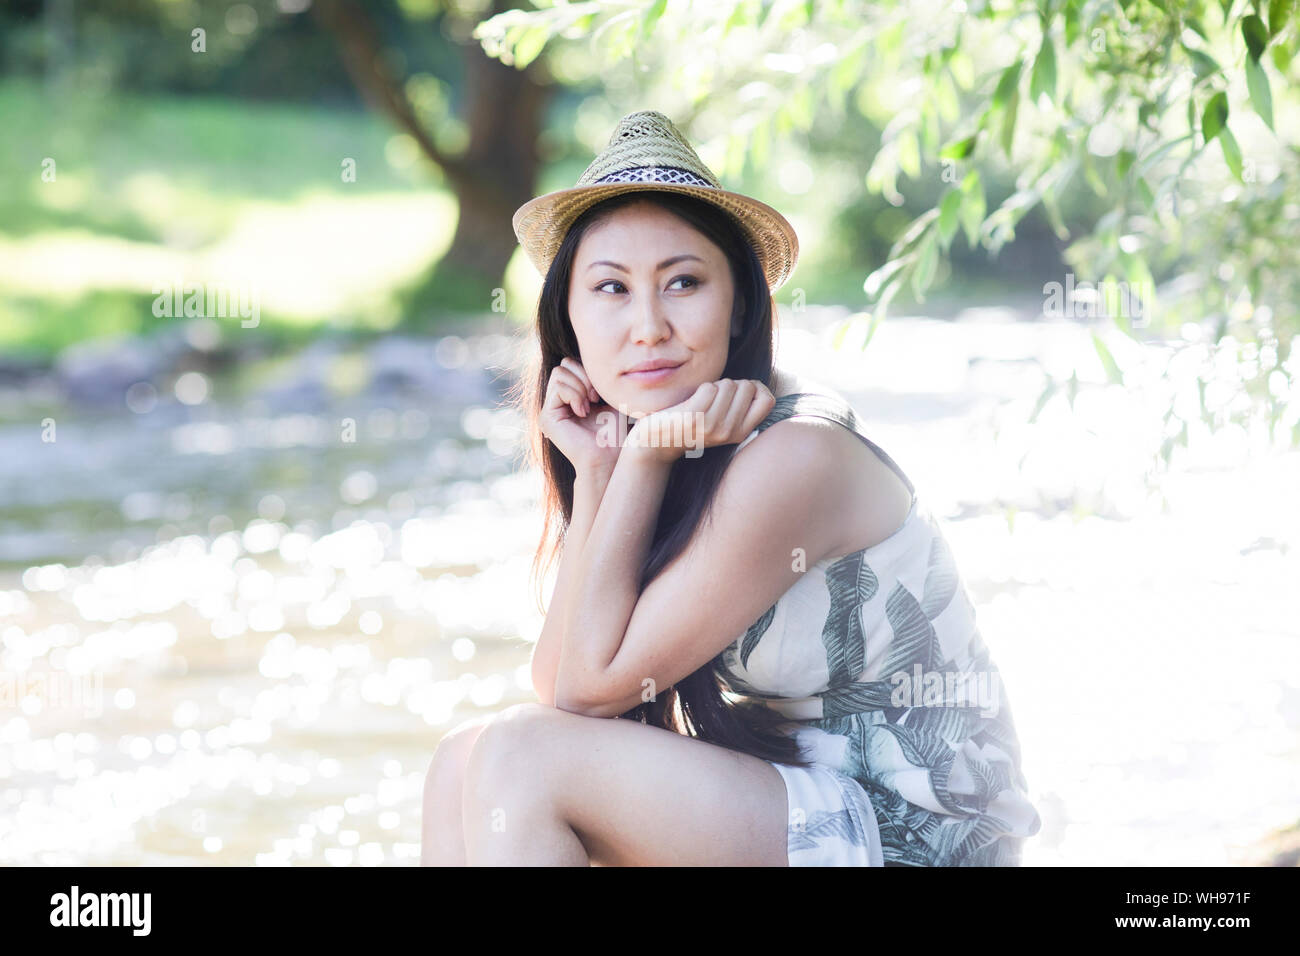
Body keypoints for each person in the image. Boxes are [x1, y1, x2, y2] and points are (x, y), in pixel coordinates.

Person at [420, 110, 1041, 866]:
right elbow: (561, 681)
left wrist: (645, 456)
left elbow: (586, 695)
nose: (648, 326)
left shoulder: (796, 457)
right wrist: (601, 470)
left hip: (913, 832)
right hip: (809, 796)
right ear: (570, 320)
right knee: (463, 761)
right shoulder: (676, 434)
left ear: (740, 301)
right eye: (611, 289)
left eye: (683, 282)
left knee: (521, 756)